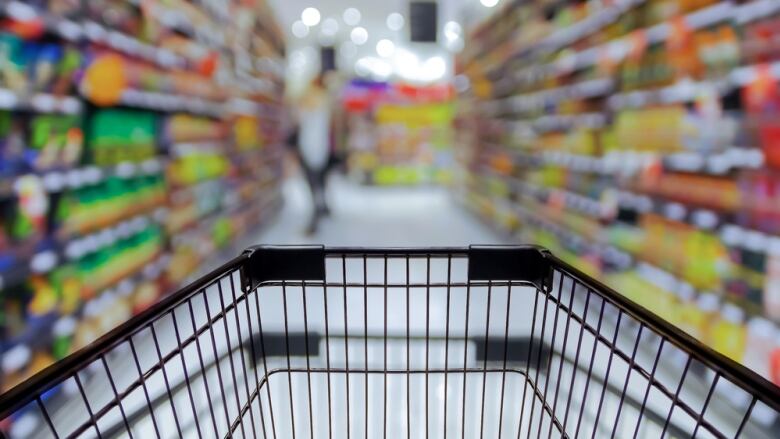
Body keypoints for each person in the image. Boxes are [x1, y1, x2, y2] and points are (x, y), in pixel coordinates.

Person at [295, 73, 334, 235]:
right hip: (319, 149)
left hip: (312, 149)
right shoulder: (324, 102)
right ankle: (321, 210)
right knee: (319, 184)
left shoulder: (311, 102)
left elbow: (309, 130)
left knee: (313, 186)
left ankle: (315, 218)